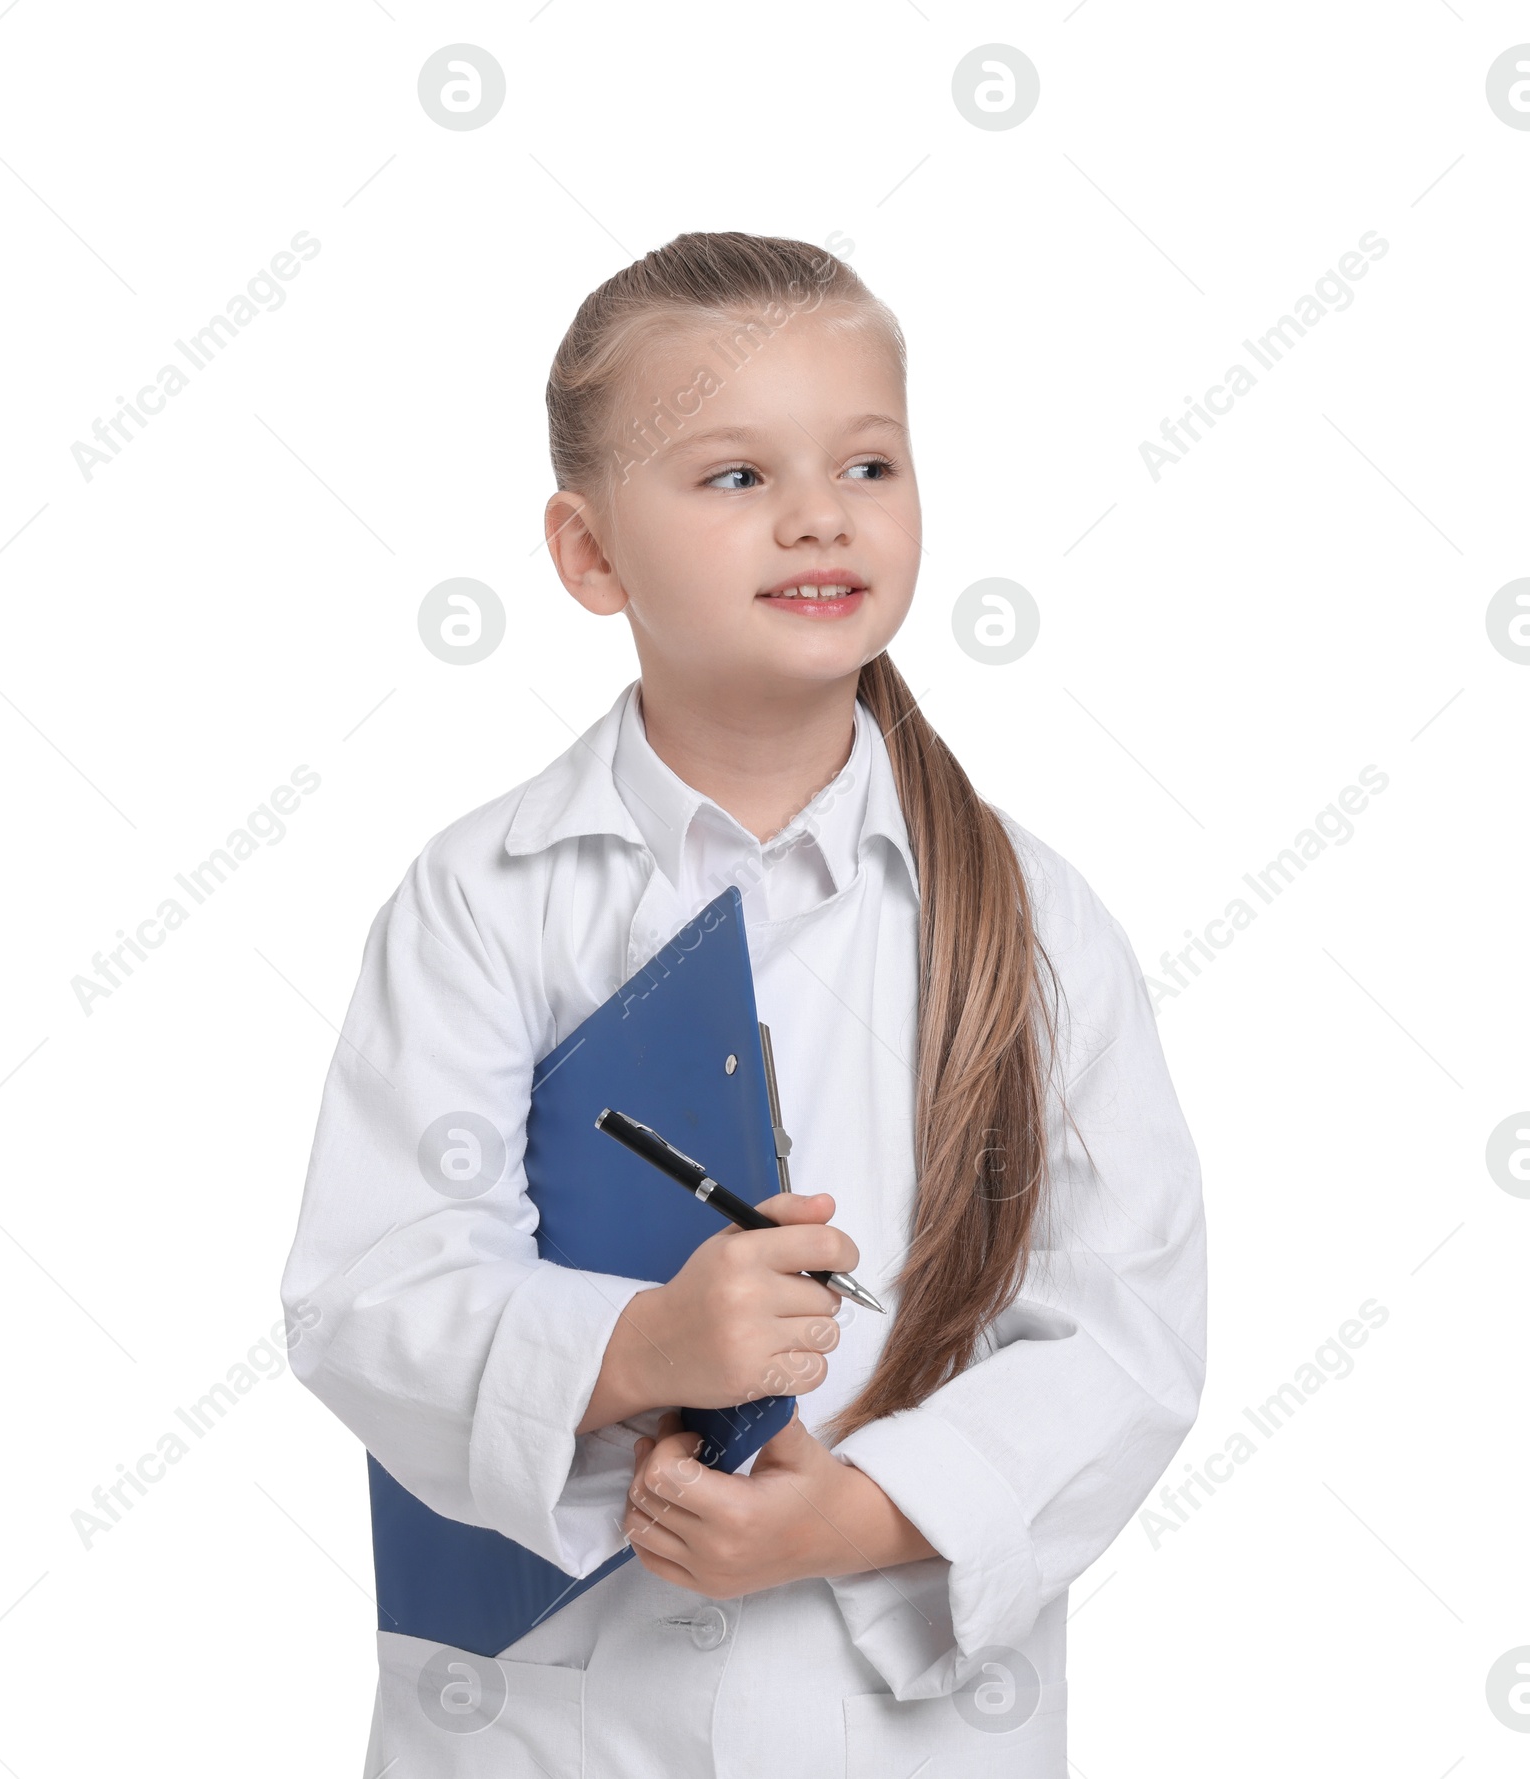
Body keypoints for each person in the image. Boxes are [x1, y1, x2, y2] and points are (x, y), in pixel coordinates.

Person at [279, 230, 1207, 1778]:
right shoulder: (480, 898)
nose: (816, 517)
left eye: (868, 465)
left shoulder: (1036, 922)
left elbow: (1126, 1331)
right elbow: (370, 1293)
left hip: (893, 1719)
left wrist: (854, 1515)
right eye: (732, 478)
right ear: (589, 554)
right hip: (545, 1728)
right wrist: (643, 1346)